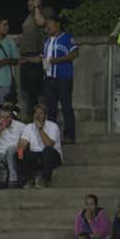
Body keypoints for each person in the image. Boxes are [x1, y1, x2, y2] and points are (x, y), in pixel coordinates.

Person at [41, 12, 79, 143]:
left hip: (63, 78)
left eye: (50, 24)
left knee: (66, 107)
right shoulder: (47, 41)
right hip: (49, 79)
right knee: (50, 108)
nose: (48, 27)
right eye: (47, 25)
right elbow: (43, 58)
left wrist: (57, 60)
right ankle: (52, 135)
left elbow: (75, 53)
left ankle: (69, 135)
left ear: (57, 24)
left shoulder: (67, 38)